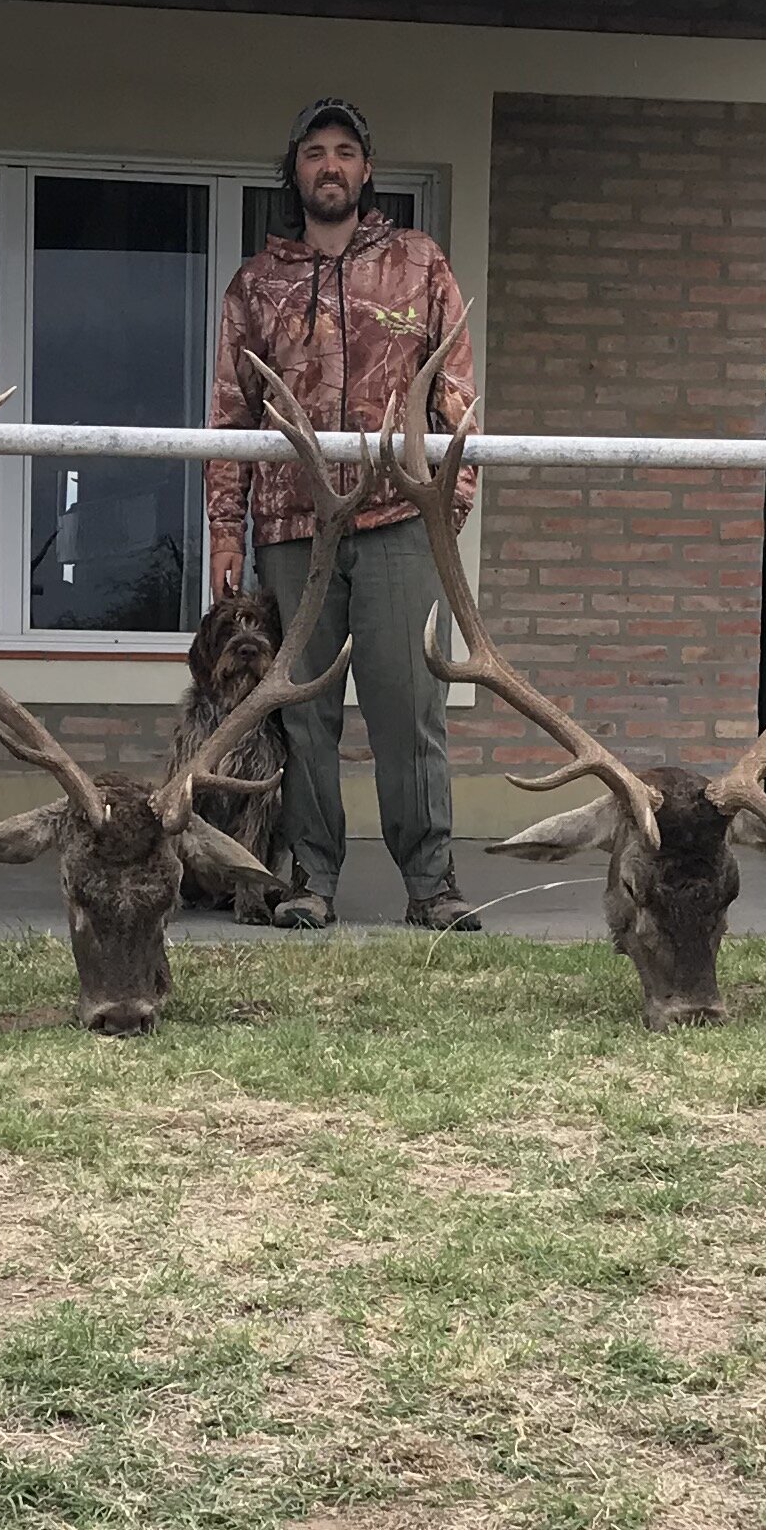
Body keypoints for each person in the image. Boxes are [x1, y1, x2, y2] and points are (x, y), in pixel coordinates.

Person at [203, 98, 485, 932]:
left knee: (410, 708)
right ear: (294, 171)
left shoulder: (419, 265)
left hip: (400, 518)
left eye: (346, 152)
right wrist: (226, 524)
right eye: (315, 152)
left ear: (367, 170)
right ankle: (309, 878)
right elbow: (229, 418)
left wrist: (452, 505)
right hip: (294, 528)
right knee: (302, 709)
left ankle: (431, 885)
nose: (331, 165)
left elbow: (458, 398)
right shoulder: (256, 286)